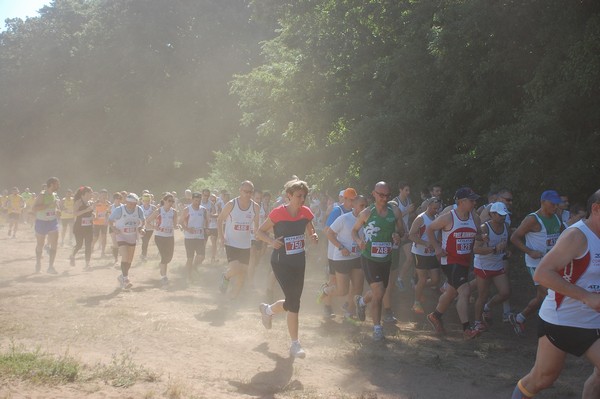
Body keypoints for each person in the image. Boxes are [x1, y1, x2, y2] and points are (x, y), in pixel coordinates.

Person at [511, 189, 600, 399]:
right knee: (542, 379)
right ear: (596, 209)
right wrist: (586, 297)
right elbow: (542, 274)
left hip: (594, 321)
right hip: (564, 322)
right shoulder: (577, 236)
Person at [257, 179, 318, 359]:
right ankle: (295, 344)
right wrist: (271, 241)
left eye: (304, 196)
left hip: (299, 260)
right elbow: (259, 231)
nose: (302, 199)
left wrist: (313, 236)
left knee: (293, 301)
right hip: (281, 261)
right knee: (294, 301)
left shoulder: (306, 212)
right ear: (289, 196)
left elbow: (310, 230)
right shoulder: (278, 213)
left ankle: (267, 310)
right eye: (298, 196)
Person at [426, 187, 482, 339]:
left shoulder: (474, 217)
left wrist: (482, 239)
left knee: (451, 292)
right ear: (461, 202)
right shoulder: (449, 217)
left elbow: (478, 235)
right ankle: (467, 329)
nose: (474, 202)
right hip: (449, 261)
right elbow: (429, 229)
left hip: (464, 262)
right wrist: (437, 248)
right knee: (464, 291)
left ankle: (435, 316)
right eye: (471, 200)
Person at [351, 181, 404, 341]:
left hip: (385, 258)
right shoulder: (366, 213)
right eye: (381, 195)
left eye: (387, 195)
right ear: (374, 194)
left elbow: (402, 230)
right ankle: (377, 328)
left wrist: (397, 235)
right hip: (369, 258)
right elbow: (354, 231)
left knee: (377, 292)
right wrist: (359, 241)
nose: (384, 198)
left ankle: (361, 301)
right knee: (380, 292)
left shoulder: (394, 211)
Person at [509, 190, 563, 337]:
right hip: (535, 264)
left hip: (551, 264)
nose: (555, 207)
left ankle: (519, 317)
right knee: (550, 294)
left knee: (541, 297)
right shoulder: (533, 219)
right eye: (552, 204)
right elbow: (514, 237)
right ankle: (552, 330)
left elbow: (563, 235)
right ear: (543, 202)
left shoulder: (556, 217)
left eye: (557, 204)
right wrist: (529, 251)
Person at [322, 195, 368, 319]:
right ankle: (326, 291)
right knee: (343, 291)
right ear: (354, 205)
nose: (364, 209)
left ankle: (349, 313)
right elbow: (329, 233)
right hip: (342, 258)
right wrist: (341, 247)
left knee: (358, 287)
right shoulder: (344, 218)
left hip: (357, 256)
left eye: (366, 206)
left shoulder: (367, 220)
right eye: (361, 206)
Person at [472, 202, 511, 332]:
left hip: (497, 264)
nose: (502, 217)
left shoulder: (506, 226)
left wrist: (507, 251)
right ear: (492, 214)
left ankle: (487, 307)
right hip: (483, 265)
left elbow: (506, 244)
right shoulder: (484, 228)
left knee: (505, 293)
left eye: (504, 215)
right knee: (483, 295)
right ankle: (477, 322)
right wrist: (494, 249)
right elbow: (475, 249)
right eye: (500, 215)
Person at [217, 181, 260, 299]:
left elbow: (256, 227)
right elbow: (220, 220)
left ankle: (233, 298)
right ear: (240, 191)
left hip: (246, 244)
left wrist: (258, 235)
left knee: (242, 273)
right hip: (231, 242)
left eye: (250, 192)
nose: (248, 194)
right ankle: (225, 276)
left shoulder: (255, 207)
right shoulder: (232, 204)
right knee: (235, 268)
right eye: (245, 191)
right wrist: (221, 237)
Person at [319, 187, 357, 319]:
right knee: (333, 281)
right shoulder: (337, 211)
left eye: (354, 200)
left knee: (354, 281)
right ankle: (327, 307)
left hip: (351, 254)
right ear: (344, 199)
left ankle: (348, 305)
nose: (353, 202)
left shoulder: (354, 212)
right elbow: (326, 230)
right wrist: (339, 245)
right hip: (335, 253)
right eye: (351, 200)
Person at [408, 197, 442, 315]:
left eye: (438, 208)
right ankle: (416, 302)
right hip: (420, 252)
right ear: (428, 206)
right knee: (422, 278)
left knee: (435, 279)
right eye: (434, 208)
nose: (436, 210)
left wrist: (438, 244)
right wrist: (425, 243)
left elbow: (438, 235)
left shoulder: (438, 218)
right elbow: (411, 235)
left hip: (432, 253)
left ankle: (417, 288)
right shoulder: (421, 218)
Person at [109, 193, 145, 289]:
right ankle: (125, 279)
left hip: (132, 236)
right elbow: (109, 220)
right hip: (121, 236)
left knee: (129, 259)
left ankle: (122, 276)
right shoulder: (119, 210)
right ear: (126, 202)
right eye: (129, 203)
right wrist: (114, 228)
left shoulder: (139, 210)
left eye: (134, 204)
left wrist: (142, 228)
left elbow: (143, 221)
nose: (131, 206)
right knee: (124, 256)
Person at [146, 193, 178, 286]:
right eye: (169, 201)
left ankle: (162, 267)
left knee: (169, 257)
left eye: (172, 201)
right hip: (159, 237)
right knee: (164, 257)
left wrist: (178, 226)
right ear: (164, 201)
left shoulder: (174, 212)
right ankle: (164, 277)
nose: (171, 203)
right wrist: (154, 227)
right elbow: (147, 221)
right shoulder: (159, 211)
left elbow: (175, 225)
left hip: (170, 237)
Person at [32, 177, 61, 274]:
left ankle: (50, 266)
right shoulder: (42, 195)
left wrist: (57, 211)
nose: (59, 185)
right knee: (40, 244)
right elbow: (34, 208)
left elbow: (55, 208)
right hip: (41, 222)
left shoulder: (55, 195)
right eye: (57, 184)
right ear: (52, 184)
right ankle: (38, 263)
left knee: (55, 243)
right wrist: (48, 205)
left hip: (52, 221)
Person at [180, 192, 208, 282]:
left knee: (202, 256)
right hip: (189, 237)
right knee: (190, 258)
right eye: (196, 200)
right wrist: (187, 229)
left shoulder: (203, 210)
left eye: (199, 200)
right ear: (192, 200)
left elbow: (207, 220)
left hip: (200, 237)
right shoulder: (187, 210)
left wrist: (206, 228)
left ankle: (194, 266)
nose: (197, 202)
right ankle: (189, 276)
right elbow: (180, 222)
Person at [70, 186, 95, 269]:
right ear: (83, 194)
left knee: (88, 245)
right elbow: (74, 214)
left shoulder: (91, 202)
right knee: (79, 244)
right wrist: (86, 210)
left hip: (88, 227)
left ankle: (87, 264)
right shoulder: (78, 202)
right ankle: (72, 255)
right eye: (88, 194)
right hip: (79, 227)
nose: (90, 195)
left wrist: (93, 215)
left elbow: (92, 212)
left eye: (91, 194)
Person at [92, 189, 111, 257]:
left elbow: (109, 212)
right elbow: (92, 210)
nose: (104, 197)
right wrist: (94, 215)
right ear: (100, 196)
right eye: (103, 195)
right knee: (95, 237)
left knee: (104, 237)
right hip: (96, 223)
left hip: (104, 223)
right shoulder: (96, 203)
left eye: (105, 195)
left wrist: (107, 219)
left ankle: (103, 252)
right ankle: (91, 247)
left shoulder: (108, 203)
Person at [139, 192, 157, 261]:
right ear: (142, 201)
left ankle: (143, 254)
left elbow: (156, 216)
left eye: (148, 201)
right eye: (145, 201)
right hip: (142, 227)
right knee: (144, 241)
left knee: (146, 241)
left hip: (150, 228)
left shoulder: (153, 208)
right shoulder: (140, 208)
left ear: (150, 200)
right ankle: (144, 255)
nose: (146, 202)